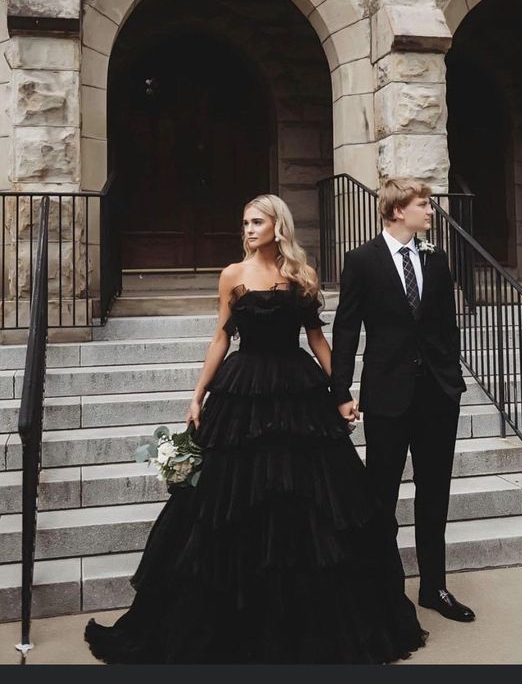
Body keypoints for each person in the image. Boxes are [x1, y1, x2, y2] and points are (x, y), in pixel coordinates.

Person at [84, 194, 428, 664]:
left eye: (257, 221)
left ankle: (305, 624)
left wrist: (342, 392)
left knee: (306, 501)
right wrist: (197, 394)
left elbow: (316, 338)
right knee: (225, 504)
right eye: (244, 221)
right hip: (242, 391)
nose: (247, 229)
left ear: (277, 226)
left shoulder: (301, 277)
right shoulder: (232, 275)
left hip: (296, 390)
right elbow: (222, 336)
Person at [330, 177, 475, 623]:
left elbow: (447, 328)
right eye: (423, 204)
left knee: (435, 494)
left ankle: (434, 587)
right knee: (382, 496)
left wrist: (450, 379)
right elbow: (346, 329)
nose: (431, 211)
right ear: (398, 211)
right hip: (387, 397)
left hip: (436, 396)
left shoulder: (437, 260)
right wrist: (341, 392)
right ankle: (383, 589)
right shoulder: (361, 262)